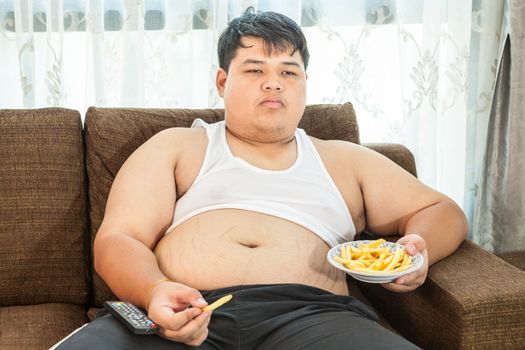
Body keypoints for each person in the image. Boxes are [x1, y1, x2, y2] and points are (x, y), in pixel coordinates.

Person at [54, 7, 467, 350]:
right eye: (254, 69)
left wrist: (418, 249)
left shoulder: (344, 160)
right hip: (182, 312)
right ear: (222, 81)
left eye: (289, 72)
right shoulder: (178, 147)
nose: (273, 82)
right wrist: (154, 291)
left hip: (315, 318)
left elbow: (440, 210)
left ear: (305, 84)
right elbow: (118, 240)